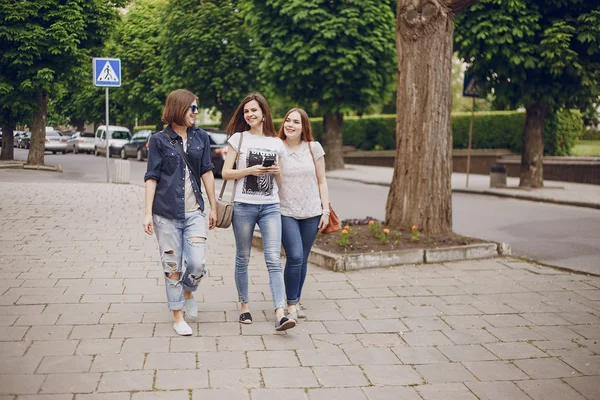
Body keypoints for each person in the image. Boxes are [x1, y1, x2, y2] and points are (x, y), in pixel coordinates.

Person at [143, 89, 217, 336]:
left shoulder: (201, 137)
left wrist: (213, 206)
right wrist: (146, 213)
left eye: (197, 108)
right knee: (172, 265)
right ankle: (178, 316)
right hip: (165, 214)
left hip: (194, 211)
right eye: (192, 108)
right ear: (178, 108)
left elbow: (207, 170)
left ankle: (188, 291)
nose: (196, 112)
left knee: (197, 263)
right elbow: (151, 177)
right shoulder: (159, 140)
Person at [221, 93, 296, 332]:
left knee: (274, 259)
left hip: (270, 206)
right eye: (246, 111)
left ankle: (280, 313)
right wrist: (250, 170)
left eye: (254, 110)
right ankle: (244, 306)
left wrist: (274, 172)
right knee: (243, 258)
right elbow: (224, 173)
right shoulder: (238, 138)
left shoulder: (276, 142)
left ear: (264, 112)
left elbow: (281, 179)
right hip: (243, 205)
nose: (250, 114)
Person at [278, 108, 330, 320]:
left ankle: (296, 300)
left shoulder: (313, 148)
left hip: (312, 211)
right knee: (295, 256)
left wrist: (325, 210)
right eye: (288, 120)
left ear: (303, 127)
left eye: (296, 122)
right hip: (286, 210)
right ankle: (291, 305)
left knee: (303, 258)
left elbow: (322, 181)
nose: (290, 125)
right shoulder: (277, 147)